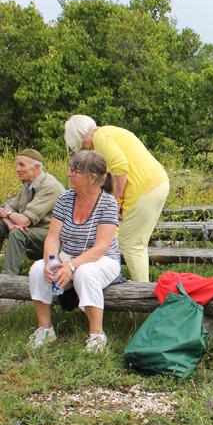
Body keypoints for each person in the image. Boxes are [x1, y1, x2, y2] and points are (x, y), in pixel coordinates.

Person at [27, 151, 121, 352]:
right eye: (70, 169)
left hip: (102, 259)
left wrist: (71, 266)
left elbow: (100, 248)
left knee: (85, 273)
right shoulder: (65, 198)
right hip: (68, 256)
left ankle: (97, 335)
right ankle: (45, 329)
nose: (69, 174)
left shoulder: (108, 203)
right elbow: (53, 237)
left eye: (74, 171)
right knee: (37, 269)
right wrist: (52, 261)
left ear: (92, 178)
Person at [64, 115, 169, 282]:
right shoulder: (109, 132)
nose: (83, 147)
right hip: (156, 183)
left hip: (144, 189)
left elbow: (120, 167)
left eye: (79, 142)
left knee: (131, 244)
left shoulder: (101, 137)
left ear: (80, 135)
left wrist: (116, 201)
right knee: (136, 242)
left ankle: (140, 293)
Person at [0, 149, 64, 274]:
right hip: (32, 229)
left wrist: (9, 216)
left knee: (18, 234)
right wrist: (11, 225)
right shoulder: (28, 184)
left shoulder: (50, 186)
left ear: (36, 167)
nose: (17, 169)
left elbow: (22, 220)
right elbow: (8, 208)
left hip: (51, 235)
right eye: (17, 164)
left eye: (22, 165)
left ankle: (8, 279)